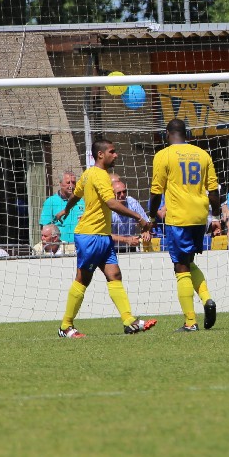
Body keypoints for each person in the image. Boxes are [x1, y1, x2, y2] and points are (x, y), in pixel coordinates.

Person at [56, 138, 156, 338]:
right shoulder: (101, 175)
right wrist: (139, 218)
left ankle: (129, 321)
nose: (116, 155)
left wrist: (66, 209)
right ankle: (65, 326)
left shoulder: (88, 174)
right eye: (112, 151)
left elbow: (76, 195)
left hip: (102, 235)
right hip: (90, 235)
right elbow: (111, 203)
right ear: (100, 155)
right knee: (83, 279)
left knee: (114, 275)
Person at [149, 119, 221, 332]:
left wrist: (152, 217)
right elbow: (213, 191)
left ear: (167, 134)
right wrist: (215, 216)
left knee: (180, 267)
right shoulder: (203, 154)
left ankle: (190, 322)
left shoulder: (163, 155)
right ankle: (207, 299)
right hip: (199, 217)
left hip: (178, 219)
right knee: (188, 262)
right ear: (186, 134)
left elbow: (156, 192)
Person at [39, 170, 82, 243]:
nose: (71, 186)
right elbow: (45, 227)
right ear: (60, 184)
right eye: (68, 183)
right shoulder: (50, 202)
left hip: (80, 244)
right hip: (60, 245)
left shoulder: (82, 201)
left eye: (73, 183)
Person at [110, 178, 148, 251]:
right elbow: (105, 235)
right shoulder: (108, 208)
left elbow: (145, 221)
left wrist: (146, 231)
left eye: (124, 191)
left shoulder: (132, 202)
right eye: (119, 193)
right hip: (113, 249)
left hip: (132, 247)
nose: (122, 195)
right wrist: (126, 240)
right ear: (112, 194)